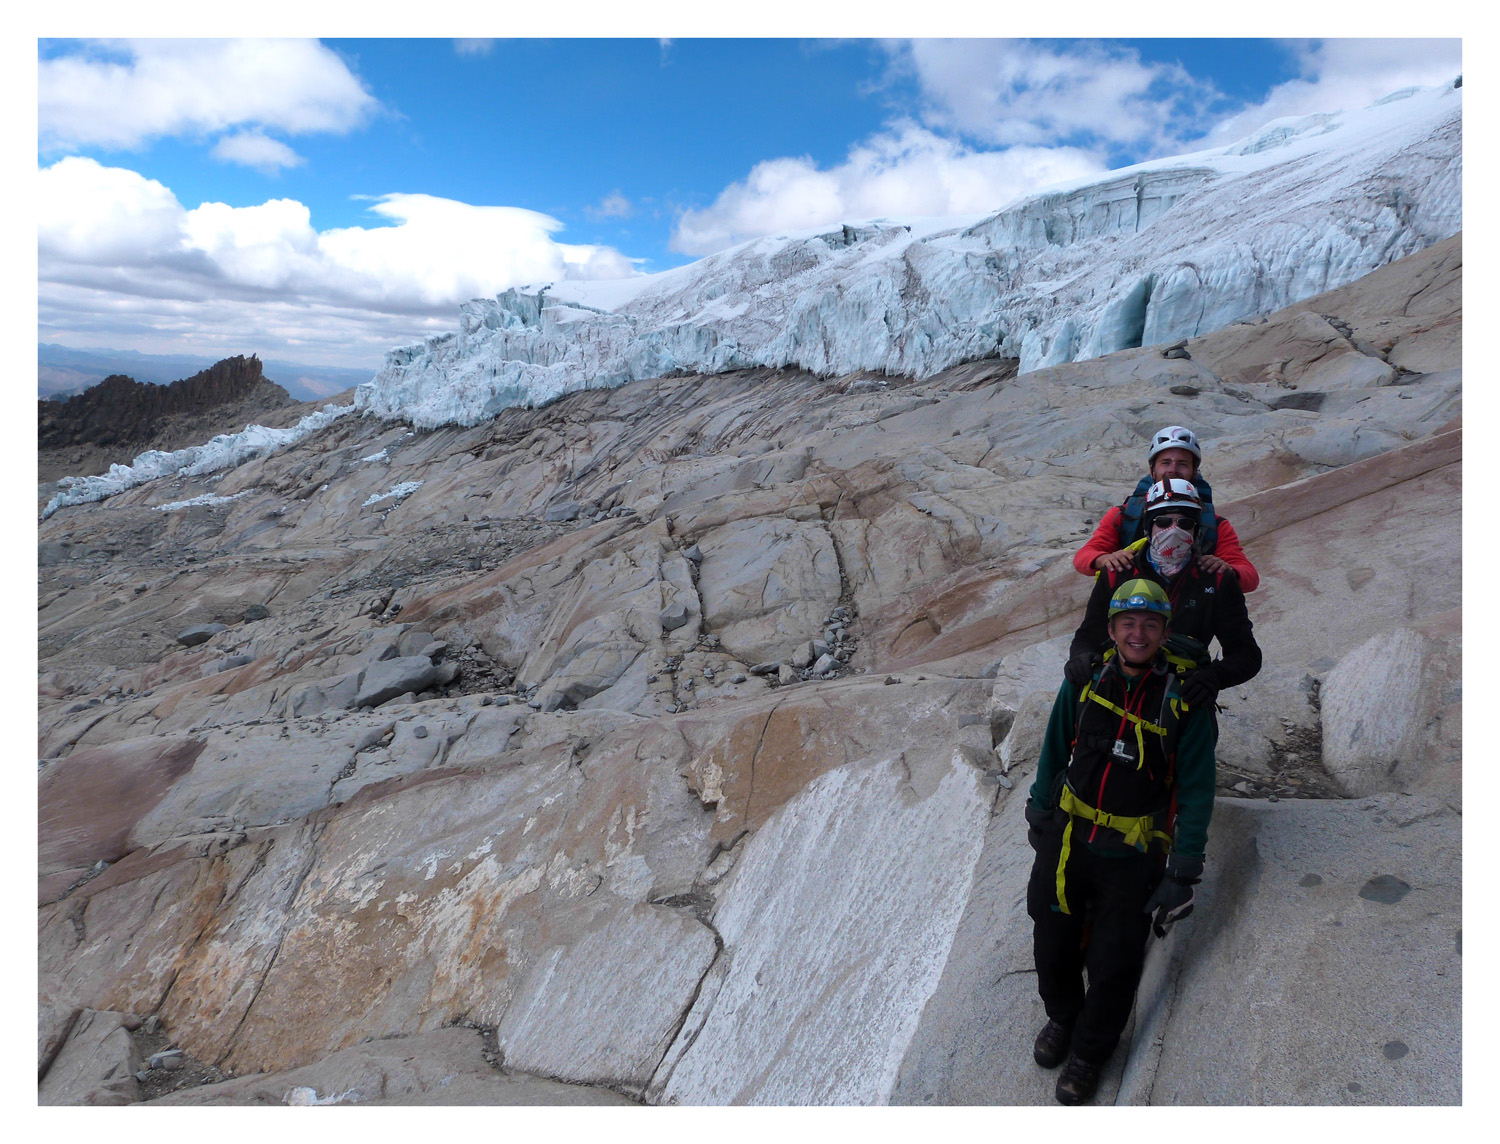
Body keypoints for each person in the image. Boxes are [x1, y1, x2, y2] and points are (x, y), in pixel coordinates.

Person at [1024, 578, 1216, 1105]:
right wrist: (1039, 806)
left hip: (1132, 854)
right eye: (1128, 623)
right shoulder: (1086, 680)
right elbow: (1055, 742)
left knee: (1115, 960)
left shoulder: (1183, 701)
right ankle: (1062, 1018)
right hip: (1069, 838)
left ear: (1165, 632)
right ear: (1110, 630)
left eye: (1150, 624)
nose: (1138, 633)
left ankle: (1089, 1052)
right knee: (1051, 936)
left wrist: (1184, 867)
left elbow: (1197, 788)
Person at [1065, 477, 1262, 714]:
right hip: (1119, 684)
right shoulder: (1118, 572)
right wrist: (1081, 658)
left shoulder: (1217, 579)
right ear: (1149, 526)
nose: (1174, 530)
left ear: (1196, 529)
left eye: (1185, 523)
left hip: (1183, 692)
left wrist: (1213, 677)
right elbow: (1090, 633)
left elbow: (1246, 653)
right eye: (1163, 522)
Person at [1073, 425, 1259, 591]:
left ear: (1195, 471)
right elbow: (1084, 556)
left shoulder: (1216, 525)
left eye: (1182, 463)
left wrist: (1228, 571)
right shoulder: (1124, 515)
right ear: (1152, 470)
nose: (1173, 469)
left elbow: (1249, 577)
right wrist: (1104, 559)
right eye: (1166, 462)